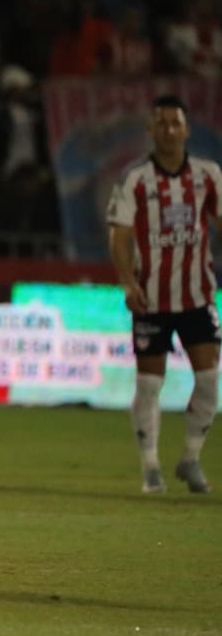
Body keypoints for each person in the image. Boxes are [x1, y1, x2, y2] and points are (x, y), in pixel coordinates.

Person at [106, 94, 218, 494]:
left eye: (176, 123)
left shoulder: (209, 176)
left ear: (187, 130)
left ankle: (190, 458)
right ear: (151, 130)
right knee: (150, 385)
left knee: (209, 379)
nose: (170, 130)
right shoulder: (135, 179)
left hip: (197, 295)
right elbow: (119, 234)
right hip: (151, 297)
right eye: (162, 123)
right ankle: (150, 468)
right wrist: (127, 281)